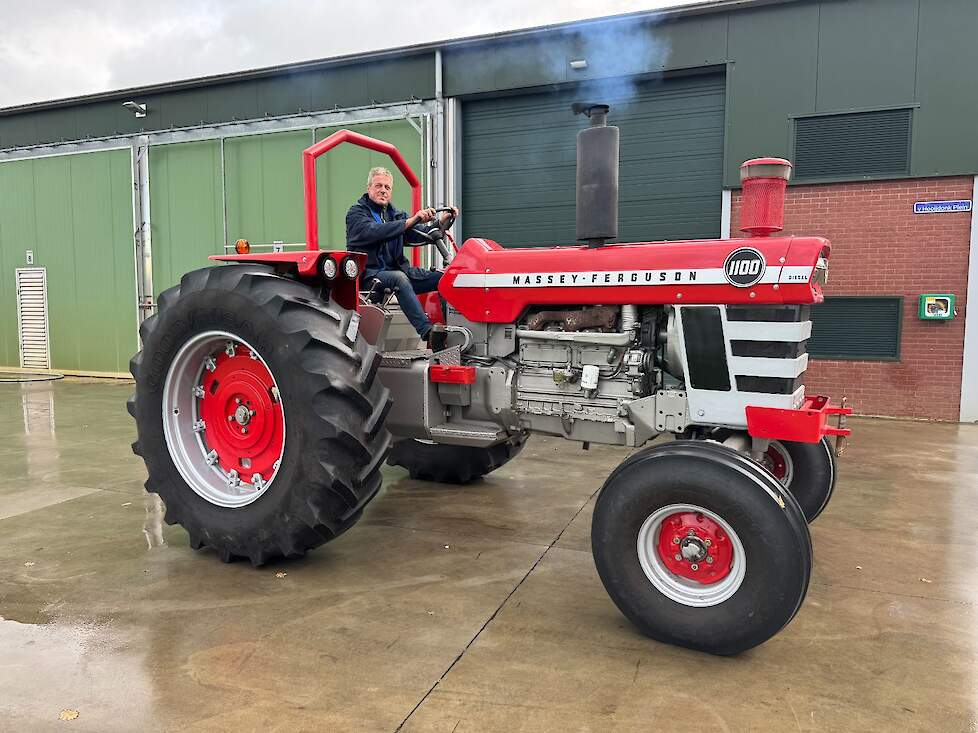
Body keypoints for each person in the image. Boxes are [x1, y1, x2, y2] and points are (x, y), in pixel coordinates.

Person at [346, 166, 459, 344]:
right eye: (378, 186)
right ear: (369, 189)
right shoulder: (357, 214)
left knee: (446, 278)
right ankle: (428, 334)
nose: (383, 190)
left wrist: (441, 221)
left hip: (400, 272)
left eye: (387, 187)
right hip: (370, 276)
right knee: (399, 278)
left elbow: (421, 234)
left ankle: (454, 332)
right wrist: (413, 220)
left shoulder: (396, 215)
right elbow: (376, 231)